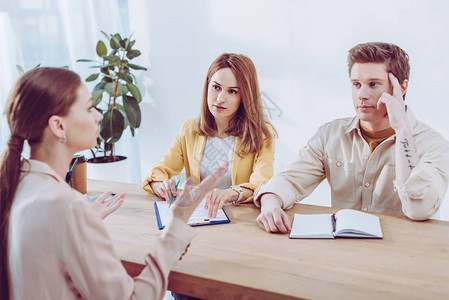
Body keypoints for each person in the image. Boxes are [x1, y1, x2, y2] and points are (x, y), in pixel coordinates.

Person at [0, 67, 229, 299]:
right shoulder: (67, 207)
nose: (99, 115)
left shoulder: (18, 183)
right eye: (89, 107)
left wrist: (81, 226)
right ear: (59, 126)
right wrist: (178, 223)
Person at [255, 42, 449, 233]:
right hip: (348, 254)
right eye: (356, 84)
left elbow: (418, 209)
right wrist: (270, 202)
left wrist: (402, 131)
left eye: (373, 84)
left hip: (408, 256)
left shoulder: (433, 144)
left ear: (402, 87)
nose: (362, 95)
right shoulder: (330, 134)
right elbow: (289, 180)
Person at [143, 53, 276, 218]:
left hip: (239, 220)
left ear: (244, 97)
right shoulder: (190, 128)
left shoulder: (262, 134)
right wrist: (160, 186)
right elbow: (159, 171)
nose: (220, 98)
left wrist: (230, 193)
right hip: (198, 217)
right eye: (216, 87)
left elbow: (262, 183)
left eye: (232, 91)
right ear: (207, 87)